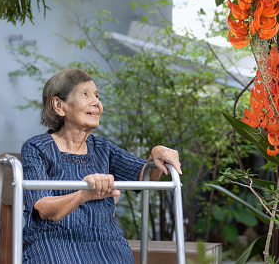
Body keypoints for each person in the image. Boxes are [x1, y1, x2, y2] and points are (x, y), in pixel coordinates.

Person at [21, 68, 182, 264]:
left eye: (97, 95)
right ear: (59, 105)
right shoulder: (36, 148)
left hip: (105, 244)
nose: (96, 102)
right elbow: (43, 209)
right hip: (54, 242)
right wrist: (84, 194)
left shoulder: (102, 148)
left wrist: (157, 154)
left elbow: (144, 179)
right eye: (85, 94)